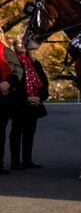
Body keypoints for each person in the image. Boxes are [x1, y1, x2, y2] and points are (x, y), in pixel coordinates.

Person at [10, 37, 48, 170]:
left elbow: (44, 82)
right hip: (19, 103)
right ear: (14, 47)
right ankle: (15, 162)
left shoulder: (34, 63)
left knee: (30, 131)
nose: (23, 45)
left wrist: (39, 97)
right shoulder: (12, 62)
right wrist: (25, 98)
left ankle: (27, 160)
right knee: (16, 131)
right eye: (20, 43)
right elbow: (13, 83)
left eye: (25, 43)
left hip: (34, 102)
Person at [0, 26, 24, 175]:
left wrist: (9, 83)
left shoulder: (7, 51)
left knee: (0, 132)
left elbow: (17, 71)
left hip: (5, 97)